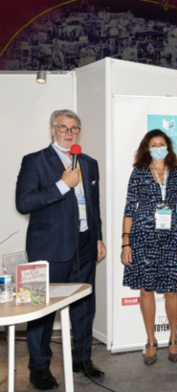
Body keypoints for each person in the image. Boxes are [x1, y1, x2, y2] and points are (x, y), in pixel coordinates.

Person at [15, 109, 106, 390]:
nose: (69, 133)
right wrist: (62, 185)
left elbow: (93, 207)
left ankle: (81, 360)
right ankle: (39, 368)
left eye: (74, 128)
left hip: (84, 245)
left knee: (84, 306)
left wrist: (98, 237)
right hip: (48, 248)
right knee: (40, 310)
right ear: (53, 130)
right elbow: (24, 203)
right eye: (63, 127)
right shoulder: (34, 161)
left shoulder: (89, 163)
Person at [120, 129, 177, 365]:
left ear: (168, 147)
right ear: (147, 148)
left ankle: (173, 337)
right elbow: (129, 208)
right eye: (154, 144)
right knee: (146, 289)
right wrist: (125, 242)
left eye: (162, 143)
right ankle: (150, 340)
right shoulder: (138, 172)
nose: (158, 147)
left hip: (171, 237)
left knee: (172, 289)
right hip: (142, 236)